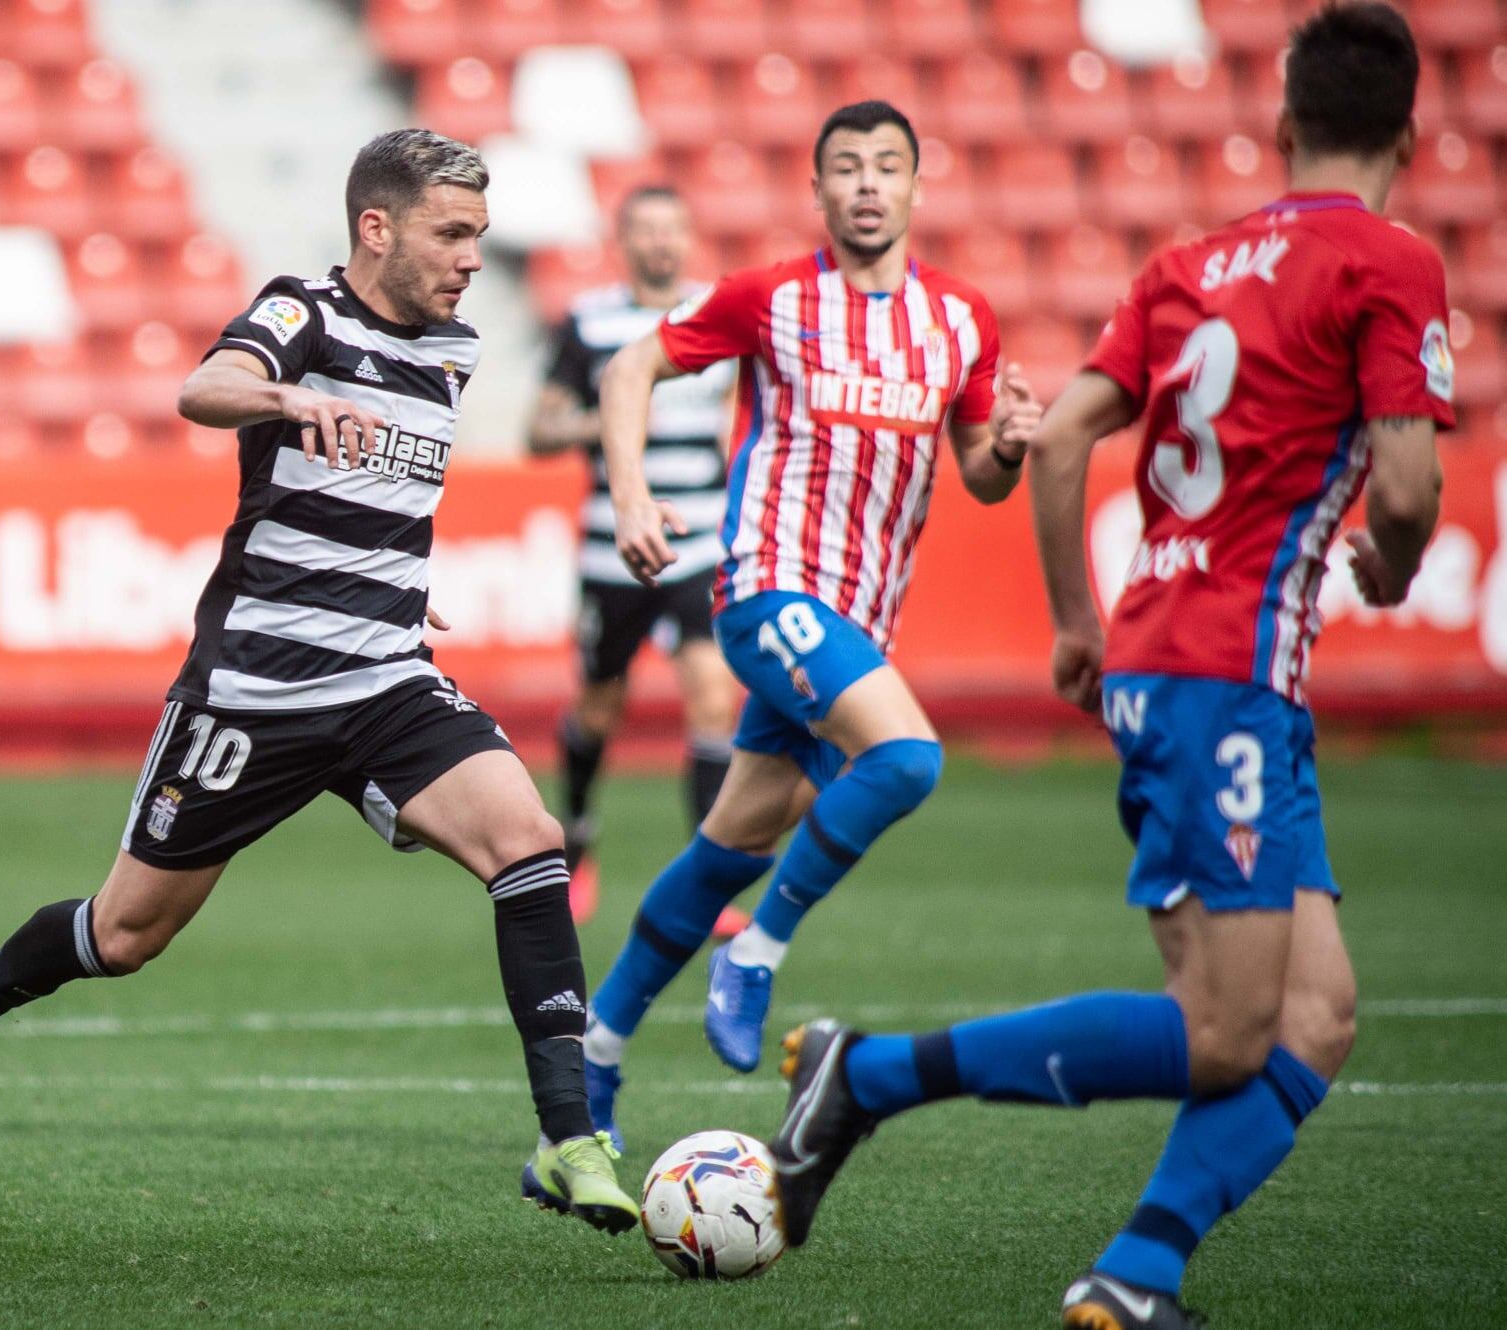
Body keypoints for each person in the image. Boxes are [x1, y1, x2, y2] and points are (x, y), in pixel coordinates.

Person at [765, 8, 1452, 1328]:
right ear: (1413, 140)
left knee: (1316, 1017)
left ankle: (1135, 1272)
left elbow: (1069, 434)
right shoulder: (1387, 263)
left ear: (1282, 129)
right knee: (1221, 1029)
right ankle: (868, 1074)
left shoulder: (1187, 264)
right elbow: (1410, 483)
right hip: (1224, 678)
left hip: (1172, 657)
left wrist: (1075, 621)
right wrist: (1395, 552)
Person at [0, 129, 638, 1237]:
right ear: (376, 227)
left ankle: (569, 1135)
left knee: (525, 841)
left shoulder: (455, 347)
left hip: (382, 681)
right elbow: (206, 386)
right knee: (126, 935)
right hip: (250, 692)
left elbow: (381, 501)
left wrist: (390, 589)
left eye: (478, 233)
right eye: (452, 232)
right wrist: (285, 403)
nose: (474, 257)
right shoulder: (304, 314)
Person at [584, 100, 1043, 1148]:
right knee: (908, 758)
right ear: (819, 191)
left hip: (857, 619)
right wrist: (629, 495)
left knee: (729, 841)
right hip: (767, 589)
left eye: (887, 165)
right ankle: (756, 950)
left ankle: (592, 1063)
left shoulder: (961, 320)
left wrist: (1010, 442)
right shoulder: (773, 299)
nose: (868, 183)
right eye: (847, 167)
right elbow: (630, 367)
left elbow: (975, 473)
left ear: (917, 186)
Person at [527, 185, 744, 932]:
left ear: (687, 237)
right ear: (623, 240)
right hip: (611, 547)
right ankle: (577, 838)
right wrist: (614, 413)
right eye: (645, 230)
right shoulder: (590, 323)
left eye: (671, 229)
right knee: (600, 708)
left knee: (714, 699)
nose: (660, 243)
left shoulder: (717, 315)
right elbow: (539, 430)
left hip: (702, 540)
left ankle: (707, 881)